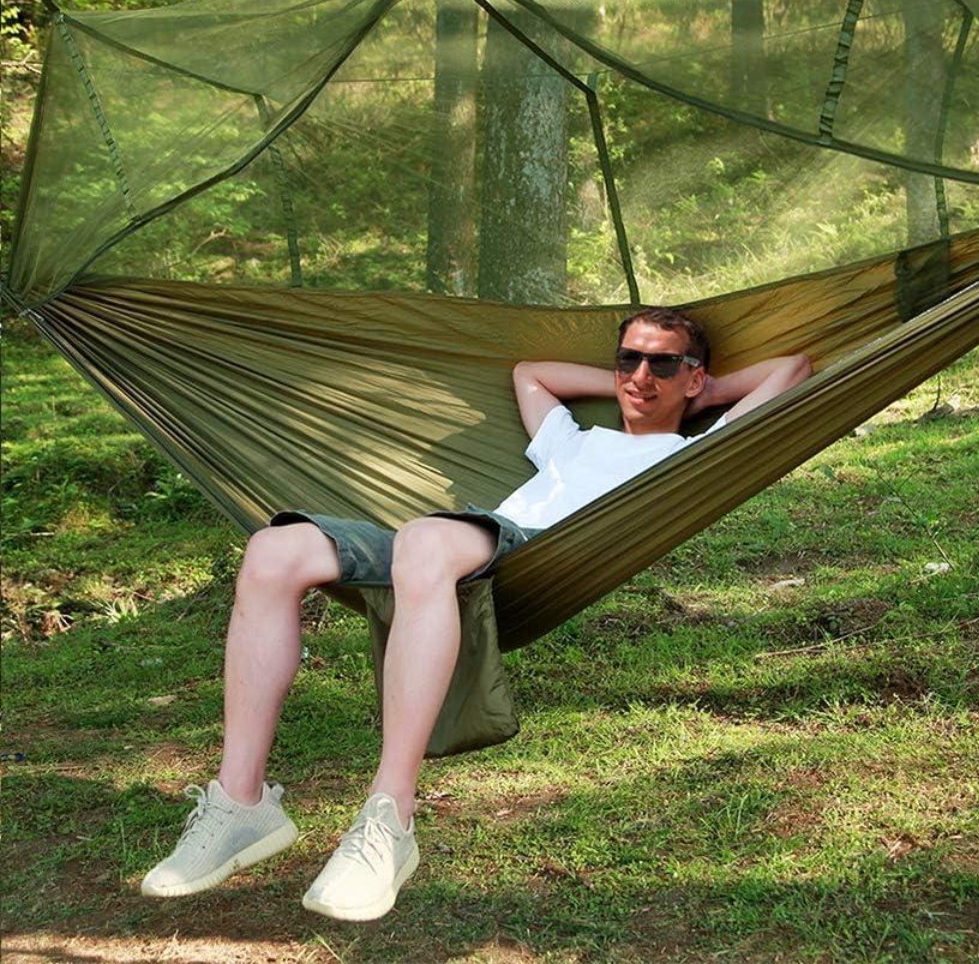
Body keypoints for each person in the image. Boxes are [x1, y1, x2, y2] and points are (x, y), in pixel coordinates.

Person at [140, 306, 811, 921]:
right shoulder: (570, 441)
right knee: (274, 550)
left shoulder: (689, 453)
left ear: (695, 377)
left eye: (662, 363)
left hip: (531, 550)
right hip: (458, 540)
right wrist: (639, 383)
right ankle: (241, 803)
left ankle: (389, 818)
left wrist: (702, 393)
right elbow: (530, 373)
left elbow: (793, 369)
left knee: (425, 539)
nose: (640, 376)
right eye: (627, 359)